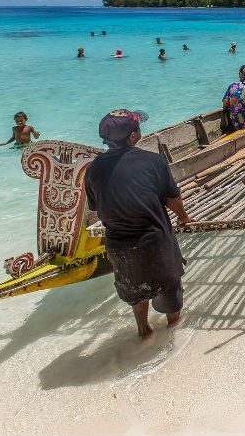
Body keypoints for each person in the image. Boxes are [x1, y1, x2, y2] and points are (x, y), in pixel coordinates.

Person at [84, 109, 191, 338]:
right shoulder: (153, 161)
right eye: (138, 127)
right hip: (155, 240)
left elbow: (95, 206)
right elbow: (171, 198)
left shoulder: (93, 169)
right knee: (171, 293)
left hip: (119, 245)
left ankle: (144, 333)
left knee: (136, 291)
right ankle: (173, 336)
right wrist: (185, 218)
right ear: (132, 136)